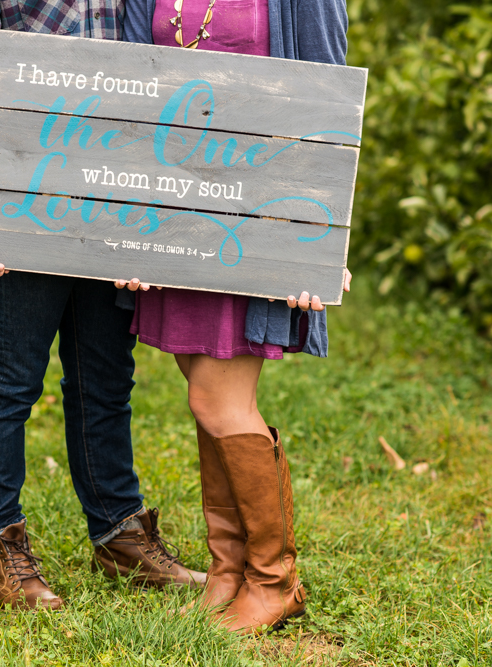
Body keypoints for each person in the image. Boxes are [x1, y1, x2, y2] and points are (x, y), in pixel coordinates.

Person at [0, 0, 206, 611]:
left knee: (106, 375)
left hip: (117, 189)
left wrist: (151, 203)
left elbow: (153, 65)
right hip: (26, 185)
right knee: (9, 377)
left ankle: (118, 535)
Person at [119, 0, 352, 633]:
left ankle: (275, 581)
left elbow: (328, 102)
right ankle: (230, 569)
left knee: (218, 401)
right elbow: (131, 94)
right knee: (201, 391)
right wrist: (122, 227)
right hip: (176, 218)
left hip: (250, 220)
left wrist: (316, 246)